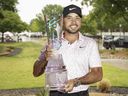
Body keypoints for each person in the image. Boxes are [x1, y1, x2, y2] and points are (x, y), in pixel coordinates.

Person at [33, 4, 103, 96]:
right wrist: (44, 59)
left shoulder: (90, 43)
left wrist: (75, 81)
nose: (74, 22)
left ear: (81, 20)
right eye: (69, 18)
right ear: (62, 21)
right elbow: (36, 73)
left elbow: (98, 74)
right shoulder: (52, 43)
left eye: (77, 18)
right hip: (56, 93)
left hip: (80, 93)